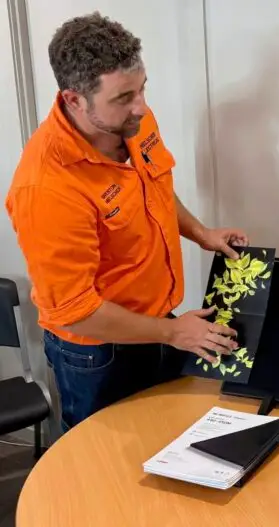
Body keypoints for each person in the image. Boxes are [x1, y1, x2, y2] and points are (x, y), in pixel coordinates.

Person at [5, 12, 247, 432]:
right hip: (97, 355)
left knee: (167, 439)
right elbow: (76, 312)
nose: (142, 106)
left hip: (156, 324)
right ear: (75, 99)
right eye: (123, 97)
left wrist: (201, 233)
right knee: (108, 468)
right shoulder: (46, 188)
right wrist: (173, 334)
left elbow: (152, 189)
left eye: (142, 89)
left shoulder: (133, 121)